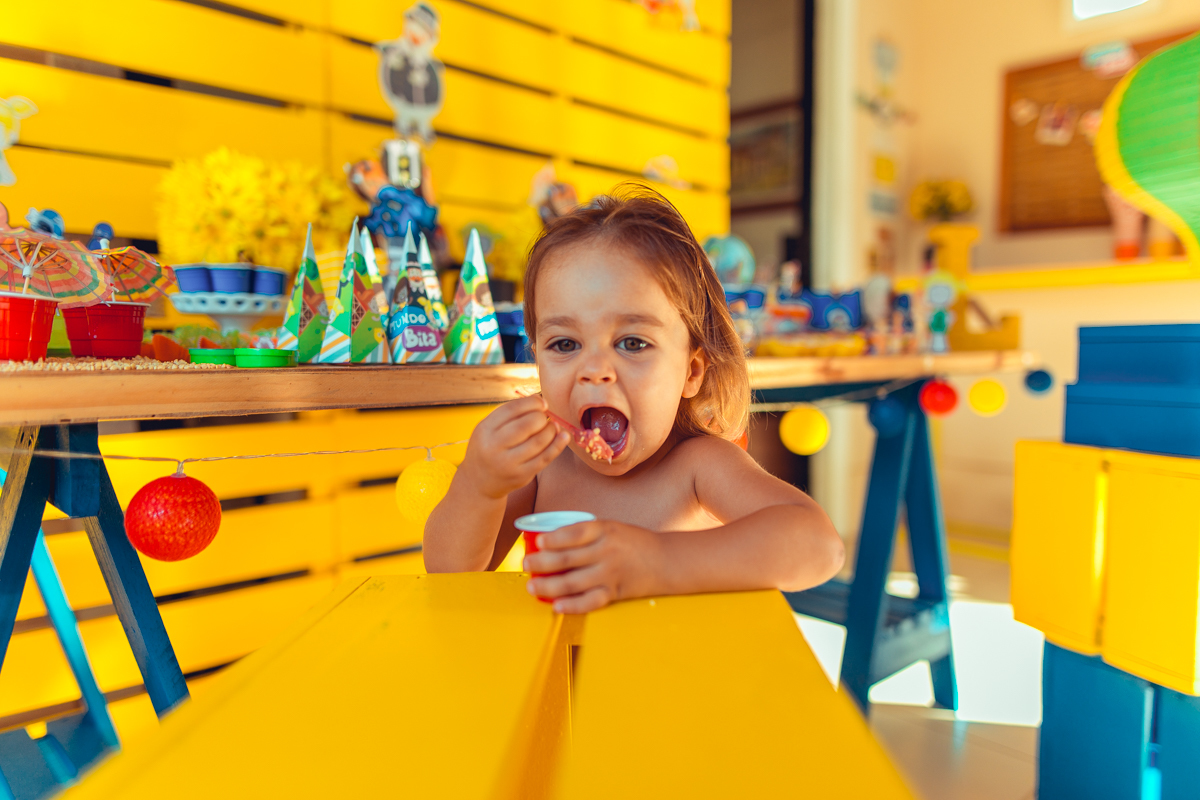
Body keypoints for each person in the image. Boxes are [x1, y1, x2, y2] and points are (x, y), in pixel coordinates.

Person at [423, 187, 844, 613]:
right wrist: (479, 484)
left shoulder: (699, 467)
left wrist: (655, 562)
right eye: (565, 344)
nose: (594, 369)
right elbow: (450, 573)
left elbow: (819, 546)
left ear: (691, 372)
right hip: (568, 674)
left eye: (632, 342)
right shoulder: (542, 469)